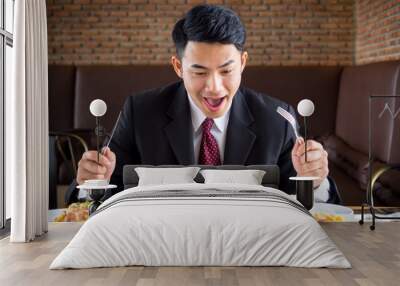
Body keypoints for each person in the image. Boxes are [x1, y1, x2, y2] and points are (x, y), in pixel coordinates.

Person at [67, 4, 340, 205]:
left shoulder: (277, 119)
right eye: (199, 72)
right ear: (178, 67)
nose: (214, 87)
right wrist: (93, 180)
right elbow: (100, 194)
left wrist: (314, 180)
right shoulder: (141, 113)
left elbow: (310, 206)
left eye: (226, 70)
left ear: (242, 63)